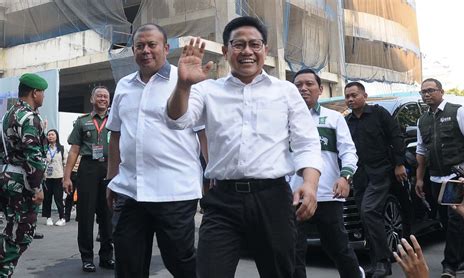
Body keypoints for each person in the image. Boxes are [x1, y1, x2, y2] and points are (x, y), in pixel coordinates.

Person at [166, 16, 322, 278]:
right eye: (238, 45)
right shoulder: (208, 91)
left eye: (254, 44)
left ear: (265, 50)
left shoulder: (285, 91)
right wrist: (183, 85)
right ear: (226, 51)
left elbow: (306, 141)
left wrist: (310, 184)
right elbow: (177, 120)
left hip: (273, 198)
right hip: (222, 201)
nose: (247, 51)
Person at [105, 23, 203, 278]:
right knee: (127, 263)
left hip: (174, 191)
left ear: (166, 48)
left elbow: (203, 132)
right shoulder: (124, 86)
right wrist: (112, 178)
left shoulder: (186, 80)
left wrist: (212, 174)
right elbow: (115, 133)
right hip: (130, 191)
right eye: (139, 46)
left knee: (180, 260)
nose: (145, 51)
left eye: (152, 45)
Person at [290, 69, 363, 278]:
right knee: (294, 251)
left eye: (309, 84)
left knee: (338, 248)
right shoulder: (284, 120)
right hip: (294, 196)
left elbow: (349, 151)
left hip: (327, 195)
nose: (303, 88)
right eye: (298, 85)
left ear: (320, 89)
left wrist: (345, 177)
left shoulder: (333, 118)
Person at [344, 81, 407, 277]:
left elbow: (396, 137)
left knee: (369, 211)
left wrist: (399, 164)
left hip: (381, 171)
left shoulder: (379, 114)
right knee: (366, 216)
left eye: (354, 95)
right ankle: (376, 261)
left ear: (365, 96)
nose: (350, 99)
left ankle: (382, 261)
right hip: (360, 175)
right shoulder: (347, 122)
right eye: (347, 96)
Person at [414, 78, 464, 278]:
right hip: (436, 178)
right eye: (423, 92)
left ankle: (449, 265)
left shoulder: (458, 111)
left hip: (457, 176)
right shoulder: (422, 120)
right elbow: (421, 151)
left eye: (430, 90)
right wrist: (419, 178)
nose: (426, 94)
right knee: (447, 223)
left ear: (441, 91)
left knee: (455, 220)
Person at [0, 73, 47, 276]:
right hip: (24, 183)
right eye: (42, 92)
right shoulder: (30, 118)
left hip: (7, 177)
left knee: (10, 228)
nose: (43, 96)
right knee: (21, 234)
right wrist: (37, 188)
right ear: (34, 93)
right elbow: (33, 156)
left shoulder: (8, 114)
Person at [63, 86, 114, 272]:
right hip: (88, 169)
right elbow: (74, 150)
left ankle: (107, 256)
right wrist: (67, 176)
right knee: (85, 215)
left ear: (109, 100)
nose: (102, 99)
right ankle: (87, 258)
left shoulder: (115, 119)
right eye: (99, 96)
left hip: (110, 168)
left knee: (108, 215)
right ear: (92, 99)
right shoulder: (82, 121)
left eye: (106, 96)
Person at [42, 129, 66, 226]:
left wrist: (65, 176)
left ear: (56, 136)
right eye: (49, 135)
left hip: (58, 177)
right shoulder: (44, 149)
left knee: (58, 198)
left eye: (52, 134)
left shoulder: (62, 149)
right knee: (47, 198)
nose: (50, 136)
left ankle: (62, 217)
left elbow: (65, 163)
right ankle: (48, 217)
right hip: (47, 177)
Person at [64, 155, 80, 222]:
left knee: (81, 195)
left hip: (81, 172)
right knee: (70, 195)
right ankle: (67, 216)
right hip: (73, 173)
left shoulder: (84, 152)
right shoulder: (73, 151)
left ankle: (79, 216)